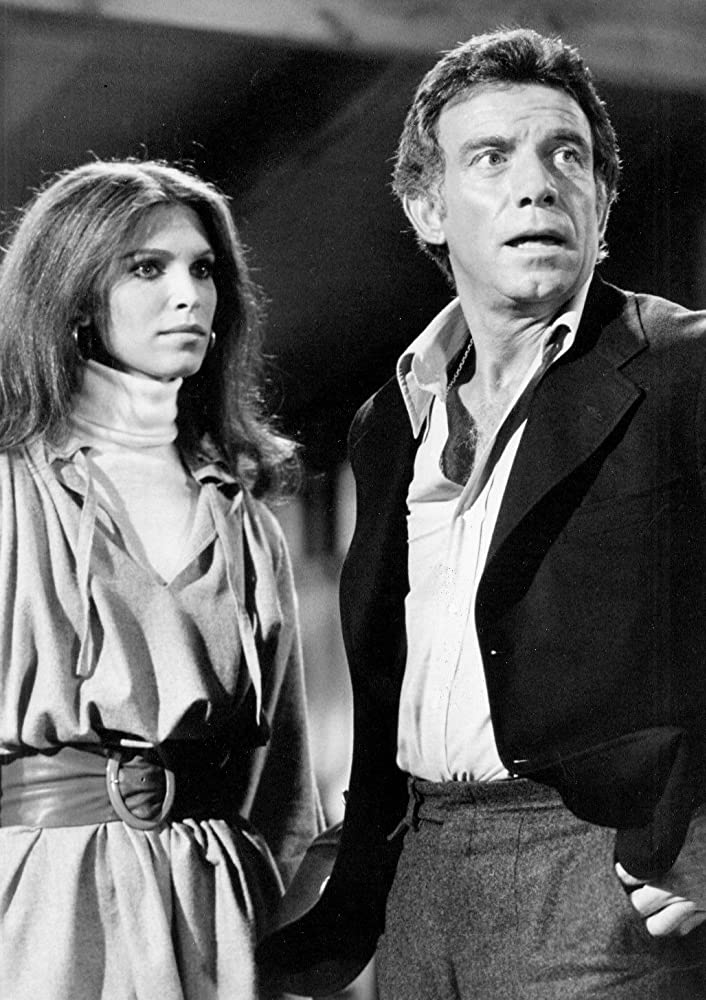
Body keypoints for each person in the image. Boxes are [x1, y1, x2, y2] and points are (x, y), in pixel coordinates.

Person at [257, 27, 706, 1000]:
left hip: (606, 880)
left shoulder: (686, 366)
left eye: (566, 155)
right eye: (492, 157)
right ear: (427, 205)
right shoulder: (388, 420)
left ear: (602, 199)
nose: (536, 185)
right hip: (420, 879)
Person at [0, 158, 322, 1000]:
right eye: (147, 268)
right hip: (42, 913)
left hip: (224, 915)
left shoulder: (245, 520)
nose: (189, 295)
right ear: (74, 297)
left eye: (203, 269)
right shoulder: (12, 494)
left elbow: (285, 790)